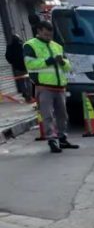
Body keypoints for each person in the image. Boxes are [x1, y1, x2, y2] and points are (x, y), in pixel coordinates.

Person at [23, 21, 79, 153]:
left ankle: (62, 138)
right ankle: (52, 140)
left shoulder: (57, 46)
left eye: (50, 34)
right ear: (39, 31)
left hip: (60, 87)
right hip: (44, 86)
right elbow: (30, 64)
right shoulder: (30, 45)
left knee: (62, 115)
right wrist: (49, 60)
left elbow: (68, 66)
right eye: (46, 34)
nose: (49, 37)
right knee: (47, 115)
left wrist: (62, 61)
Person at [5, 34, 33, 102]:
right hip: (25, 66)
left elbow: (7, 56)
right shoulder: (23, 45)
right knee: (28, 81)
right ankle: (30, 95)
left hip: (17, 67)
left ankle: (26, 95)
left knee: (21, 82)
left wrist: (12, 62)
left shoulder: (10, 47)